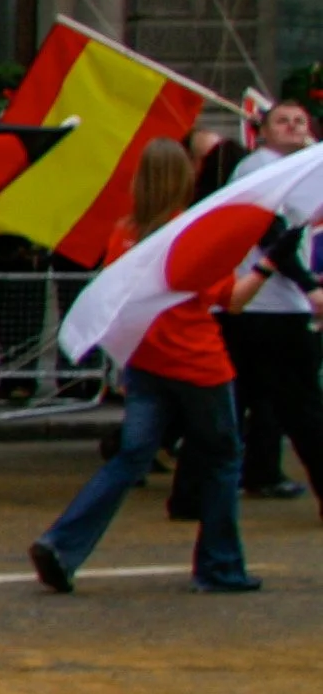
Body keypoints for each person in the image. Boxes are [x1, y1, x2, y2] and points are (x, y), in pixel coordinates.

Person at [30, 137, 260, 596]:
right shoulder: (192, 233)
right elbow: (231, 300)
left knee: (131, 457)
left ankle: (62, 542)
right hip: (197, 362)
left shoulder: (124, 233)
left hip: (145, 360)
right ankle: (219, 565)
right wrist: (269, 266)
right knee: (221, 458)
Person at [224, 100, 317, 500]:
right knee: (305, 407)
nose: (293, 127)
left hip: (262, 306)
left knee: (250, 398)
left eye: (300, 121)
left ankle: (254, 473)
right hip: (270, 306)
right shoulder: (261, 168)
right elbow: (274, 234)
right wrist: (309, 286)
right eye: (283, 121)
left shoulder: (295, 169)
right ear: (262, 130)